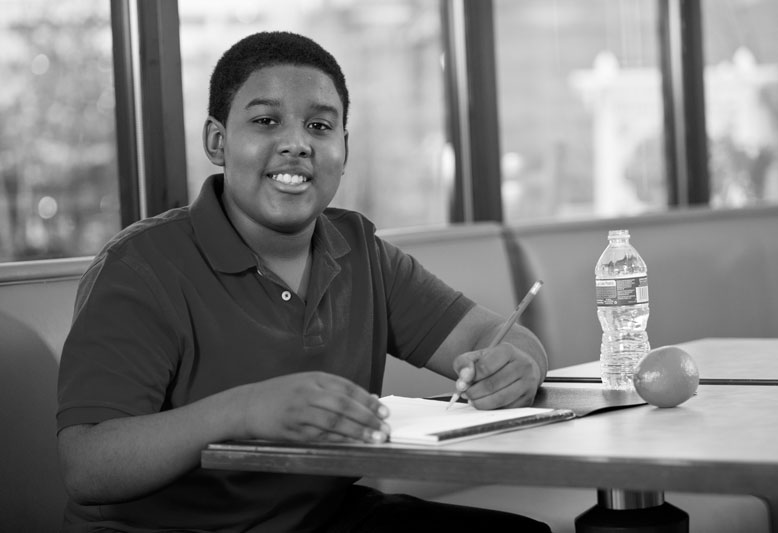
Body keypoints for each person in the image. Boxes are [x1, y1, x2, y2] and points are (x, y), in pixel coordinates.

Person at [57, 31, 551, 532]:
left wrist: (522, 363)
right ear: (217, 141)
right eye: (265, 120)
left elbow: (497, 336)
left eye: (319, 126)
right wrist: (244, 409)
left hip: (320, 519)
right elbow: (88, 466)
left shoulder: (360, 250)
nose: (296, 144)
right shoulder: (142, 266)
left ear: (344, 147)